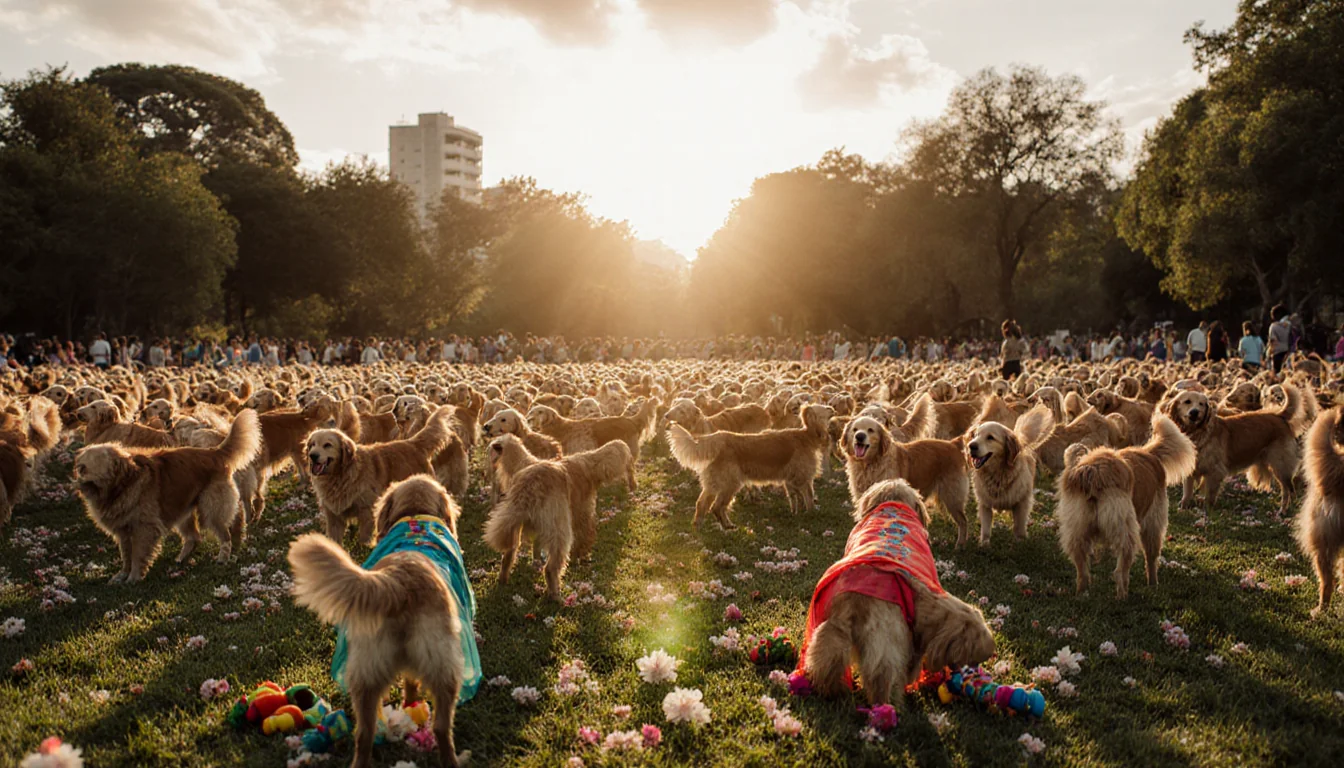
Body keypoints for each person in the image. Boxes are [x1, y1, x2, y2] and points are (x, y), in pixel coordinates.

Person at [1267, 304, 1292, 373]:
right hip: (1292, 354)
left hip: (1278, 354)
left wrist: (1269, 354)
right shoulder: (1292, 325)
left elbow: (1273, 341)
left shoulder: (1273, 326)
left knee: (1278, 377)